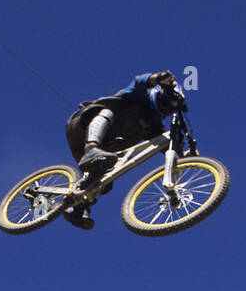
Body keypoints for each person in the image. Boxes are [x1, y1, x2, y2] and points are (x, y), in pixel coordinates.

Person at [63, 70, 181, 229]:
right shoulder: (138, 97)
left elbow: (167, 146)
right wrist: (159, 78)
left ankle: (75, 207)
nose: (164, 110)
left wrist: (186, 157)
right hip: (82, 128)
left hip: (97, 154)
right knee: (107, 111)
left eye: (168, 110)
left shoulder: (153, 127)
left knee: (104, 180)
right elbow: (141, 81)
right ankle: (92, 147)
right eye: (165, 104)